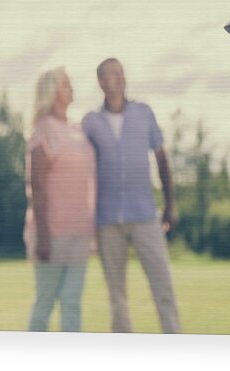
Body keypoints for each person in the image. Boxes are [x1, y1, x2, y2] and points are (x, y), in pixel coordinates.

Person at [82, 58, 180, 333]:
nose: (121, 78)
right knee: (117, 297)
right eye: (114, 74)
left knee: (164, 287)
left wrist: (170, 205)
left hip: (145, 215)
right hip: (106, 220)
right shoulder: (90, 122)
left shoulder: (144, 112)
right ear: (101, 81)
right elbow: (83, 172)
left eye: (122, 72)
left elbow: (162, 160)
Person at [24, 67, 96, 332]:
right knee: (44, 304)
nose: (72, 86)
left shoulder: (77, 129)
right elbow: (37, 187)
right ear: (53, 91)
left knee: (72, 304)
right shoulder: (43, 130)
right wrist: (42, 235)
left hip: (79, 234)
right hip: (51, 235)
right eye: (66, 83)